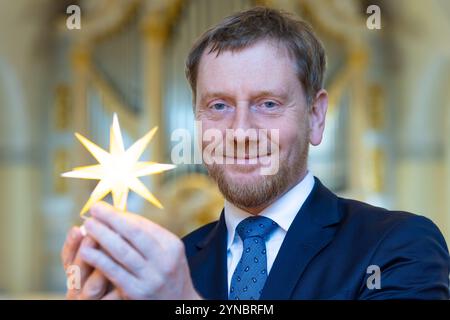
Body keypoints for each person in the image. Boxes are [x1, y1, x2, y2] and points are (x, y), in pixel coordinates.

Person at [61, 7, 450, 300]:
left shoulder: (398, 244)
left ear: (316, 118)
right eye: (218, 106)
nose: (241, 132)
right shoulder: (175, 262)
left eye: (267, 104)